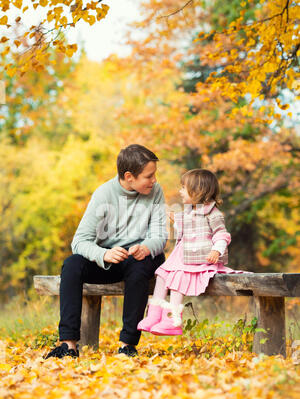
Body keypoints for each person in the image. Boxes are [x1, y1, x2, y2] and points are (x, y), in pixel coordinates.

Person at [45, 144, 168, 359]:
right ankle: (68, 345)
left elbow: (160, 235)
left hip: (140, 258)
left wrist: (147, 247)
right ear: (129, 176)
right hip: (110, 260)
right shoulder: (103, 194)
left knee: (141, 265)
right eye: (149, 176)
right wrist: (104, 254)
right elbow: (80, 241)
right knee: (72, 264)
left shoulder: (155, 192)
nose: (154, 180)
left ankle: (127, 345)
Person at [137, 168, 248, 336]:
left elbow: (221, 234)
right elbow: (185, 227)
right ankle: (154, 315)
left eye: (183, 187)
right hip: (181, 255)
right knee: (161, 274)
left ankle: (172, 320)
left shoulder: (213, 214)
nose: (180, 191)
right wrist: (174, 218)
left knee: (178, 278)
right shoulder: (190, 210)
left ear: (198, 190)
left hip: (199, 258)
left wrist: (216, 251)